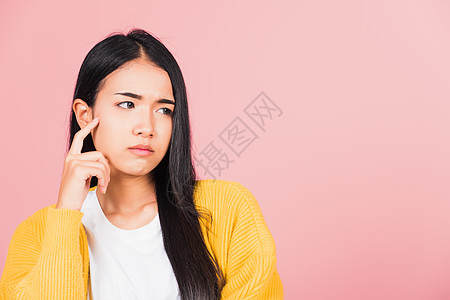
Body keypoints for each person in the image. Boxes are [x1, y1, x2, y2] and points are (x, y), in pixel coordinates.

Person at [0, 28, 283, 300]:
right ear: (85, 115)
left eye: (163, 110)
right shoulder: (37, 233)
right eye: (127, 104)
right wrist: (65, 217)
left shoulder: (229, 209)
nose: (147, 127)